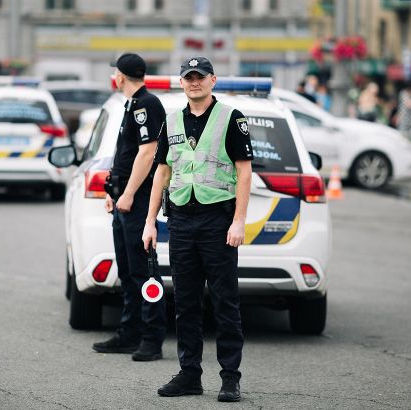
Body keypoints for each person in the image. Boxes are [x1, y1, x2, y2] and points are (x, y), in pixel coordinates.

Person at [142, 56, 253, 402]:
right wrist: (149, 222)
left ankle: (230, 377)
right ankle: (189, 374)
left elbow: (244, 172)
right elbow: (161, 173)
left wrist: (238, 220)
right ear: (181, 82)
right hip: (181, 221)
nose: (194, 82)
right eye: (188, 77)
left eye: (200, 77)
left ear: (212, 80)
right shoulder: (172, 121)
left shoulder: (231, 119)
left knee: (224, 303)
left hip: (217, 223)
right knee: (186, 304)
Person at [91, 53, 167, 361]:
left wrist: (129, 194)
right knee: (128, 271)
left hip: (137, 203)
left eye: (116, 74)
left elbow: (148, 154)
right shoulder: (133, 105)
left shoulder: (147, 105)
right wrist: (115, 190)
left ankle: (151, 339)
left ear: (120, 77)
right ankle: (129, 334)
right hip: (125, 201)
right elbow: (126, 154)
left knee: (144, 273)